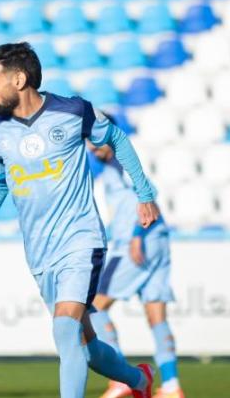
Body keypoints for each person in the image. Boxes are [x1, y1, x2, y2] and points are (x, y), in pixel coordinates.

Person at [0, 42, 159, 398]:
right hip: (40, 253)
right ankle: (139, 381)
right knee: (84, 344)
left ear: (19, 79)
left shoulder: (73, 111)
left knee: (64, 329)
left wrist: (145, 195)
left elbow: (116, 138)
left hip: (81, 240)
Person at [88, 139, 183, 398]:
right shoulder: (110, 167)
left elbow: (149, 193)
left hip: (136, 243)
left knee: (94, 305)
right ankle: (172, 385)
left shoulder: (119, 164)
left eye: (96, 144)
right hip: (159, 240)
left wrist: (136, 234)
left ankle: (119, 378)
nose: (93, 150)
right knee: (156, 315)